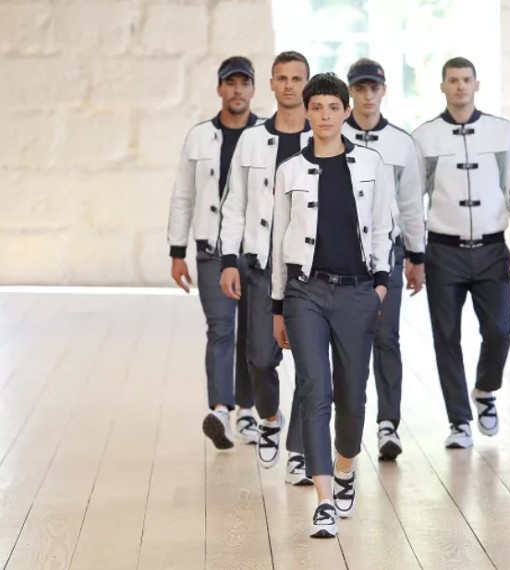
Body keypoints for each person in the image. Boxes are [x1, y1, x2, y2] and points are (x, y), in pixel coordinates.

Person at [270, 73, 393, 538]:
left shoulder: (371, 163)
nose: (324, 116)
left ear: (346, 111)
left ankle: (345, 468)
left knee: (353, 397)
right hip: (305, 292)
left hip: (358, 292)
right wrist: (277, 306)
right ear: (306, 112)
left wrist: (380, 287)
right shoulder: (290, 170)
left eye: (333, 107)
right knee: (313, 389)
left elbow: (383, 227)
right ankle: (323, 499)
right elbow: (278, 242)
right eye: (316, 107)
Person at [412, 57, 510, 449]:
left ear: (477, 85)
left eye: (466, 80)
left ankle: (485, 388)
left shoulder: (501, 131)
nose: (460, 86)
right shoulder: (425, 137)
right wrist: (414, 253)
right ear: (442, 86)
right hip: (443, 251)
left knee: (499, 330)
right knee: (445, 337)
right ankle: (459, 421)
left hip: (492, 248)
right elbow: (413, 197)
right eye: (453, 80)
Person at [218, 51, 313, 484]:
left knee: (311, 367)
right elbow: (234, 204)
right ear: (271, 85)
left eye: (297, 78)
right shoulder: (253, 141)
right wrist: (228, 260)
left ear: (307, 84)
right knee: (258, 359)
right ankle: (271, 418)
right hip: (259, 266)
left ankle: (300, 452)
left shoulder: (324, 136)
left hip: (309, 271)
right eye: (282, 78)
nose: (289, 85)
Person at [167, 56, 261, 450]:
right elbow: (183, 195)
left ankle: (249, 411)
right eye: (230, 83)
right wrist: (177, 250)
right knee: (220, 329)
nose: (237, 90)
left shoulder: (266, 136)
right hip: (211, 249)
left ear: (253, 89)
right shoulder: (200, 137)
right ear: (219, 89)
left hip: (254, 252)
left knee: (254, 336)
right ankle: (221, 409)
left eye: (244, 83)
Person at [342, 58, 426, 461]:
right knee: (345, 342)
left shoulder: (401, 142)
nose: (367, 96)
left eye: (373, 88)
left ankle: (388, 424)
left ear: (384, 90)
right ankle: (348, 421)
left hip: (387, 255)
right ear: (350, 92)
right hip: (341, 256)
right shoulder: (333, 134)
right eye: (360, 88)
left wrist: (417, 255)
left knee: (386, 336)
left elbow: (411, 203)